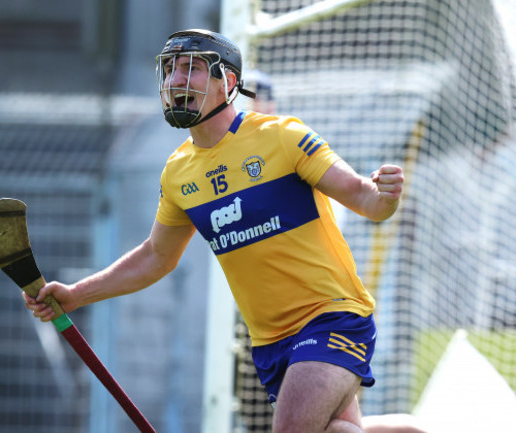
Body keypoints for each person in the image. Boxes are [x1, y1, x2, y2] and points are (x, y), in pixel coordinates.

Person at [25, 29, 404, 433]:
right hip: (271, 344)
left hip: (332, 318)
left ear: (229, 82)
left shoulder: (283, 137)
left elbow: (365, 200)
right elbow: (156, 256)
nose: (176, 81)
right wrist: (77, 294)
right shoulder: (178, 173)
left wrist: (385, 194)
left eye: (192, 69)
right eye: (170, 70)